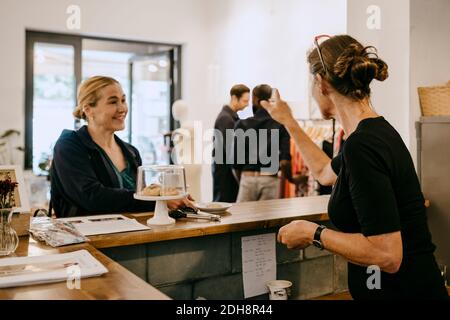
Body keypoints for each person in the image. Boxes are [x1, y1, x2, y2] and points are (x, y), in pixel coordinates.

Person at [261, 35, 448, 299]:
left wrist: (313, 233)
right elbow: (324, 172)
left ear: (321, 83)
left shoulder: (363, 145)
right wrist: (288, 121)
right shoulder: (370, 134)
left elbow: (387, 255)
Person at [50, 76, 194, 217]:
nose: (122, 108)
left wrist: (168, 195)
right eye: (113, 102)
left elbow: (139, 195)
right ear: (88, 109)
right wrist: (159, 200)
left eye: (123, 100)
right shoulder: (69, 145)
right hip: (85, 238)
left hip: (132, 235)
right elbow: (91, 196)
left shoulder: (131, 152)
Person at [233, 84, 294, 202]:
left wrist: (243, 179)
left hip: (248, 179)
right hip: (270, 180)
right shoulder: (280, 125)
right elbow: (285, 161)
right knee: (267, 220)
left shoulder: (242, 125)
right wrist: (291, 179)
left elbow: (235, 162)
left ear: (255, 99)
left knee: (243, 219)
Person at [212, 84, 250, 202]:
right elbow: (229, 149)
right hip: (225, 171)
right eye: (245, 101)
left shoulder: (229, 117)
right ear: (234, 98)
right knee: (224, 203)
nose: (247, 104)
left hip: (226, 168)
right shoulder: (226, 118)